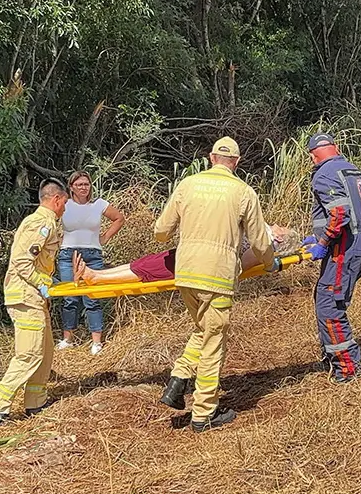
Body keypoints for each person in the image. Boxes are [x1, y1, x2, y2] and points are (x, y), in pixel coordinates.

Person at [153, 137, 274, 433]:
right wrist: (271, 263)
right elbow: (260, 240)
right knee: (213, 342)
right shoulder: (243, 192)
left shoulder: (187, 185)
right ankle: (204, 413)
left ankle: (177, 381)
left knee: (203, 330)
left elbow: (161, 232)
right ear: (236, 161)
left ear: (211, 158)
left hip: (186, 274)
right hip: (216, 278)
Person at [0, 179, 68, 425]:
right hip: (25, 296)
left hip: (35, 297)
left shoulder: (47, 222)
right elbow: (22, 261)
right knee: (29, 354)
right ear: (57, 200)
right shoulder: (41, 223)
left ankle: (36, 401)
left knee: (45, 351)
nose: (64, 210)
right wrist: (42, 282)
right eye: (64, 204)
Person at [301, 134, 361, 383]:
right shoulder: (351, 170)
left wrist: (323, 243)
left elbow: (339, 213)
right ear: (337, 148)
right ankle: (334, 357)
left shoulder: (324, 174)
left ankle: (347, 368)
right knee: (327, 297)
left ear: (312, 155)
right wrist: (317, 236)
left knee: (330, 306)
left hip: (344, 248)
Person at [71, 224, 295, 285]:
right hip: (199, 250)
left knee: (150, 270)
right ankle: (97, 273)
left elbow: (240, 266)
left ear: (281, 239)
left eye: (283, 228)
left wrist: (271, 263)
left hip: (202, 263)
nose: (280, 225)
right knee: (147, 262)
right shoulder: (262, 232)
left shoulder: (265, 244)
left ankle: (96, 278)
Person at [55, 171, 126, 355]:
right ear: (71, 187)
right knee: (69, 297)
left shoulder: (99, 204)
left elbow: (119, 218)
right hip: (68, 253)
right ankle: (68, 338)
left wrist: (105, 237)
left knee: (92, 297)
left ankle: (96, 341)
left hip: (92, 254)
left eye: (86, 184)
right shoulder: (65, 204)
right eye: (79, 185)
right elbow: (48, 220)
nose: (83, 188)